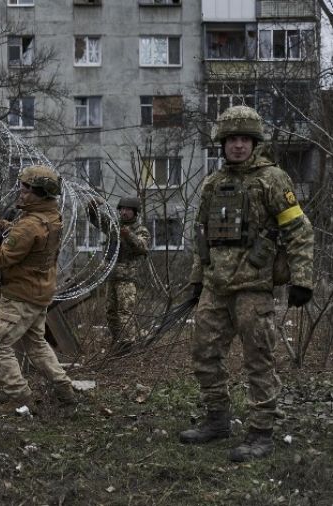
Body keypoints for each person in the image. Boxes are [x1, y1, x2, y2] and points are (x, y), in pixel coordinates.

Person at [180, 105, 314, 462]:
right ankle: (218, 419)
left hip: (254, 287)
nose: (238, 146)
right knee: (204, 354)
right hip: (215, 286)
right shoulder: (212, 183)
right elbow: (202, 237)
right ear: (222, 143)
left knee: (259, 360)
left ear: (254, 143)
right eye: (231, 139)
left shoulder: (273, 179)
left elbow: (299, 231)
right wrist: (197, 281)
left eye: (245, 139)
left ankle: (261, 432)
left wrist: (302, 279)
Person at [0, 165, 76, 413]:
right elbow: (23, 238)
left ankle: (19, 398)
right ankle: (64, 389)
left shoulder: (29, 225)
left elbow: (3, 257)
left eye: (27, 189)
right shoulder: (50, 217)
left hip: (20, 295)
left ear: (41, 193)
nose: (21, 192)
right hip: (38, 292)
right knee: (36, 344)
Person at [87, 195, 151, 349]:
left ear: (135, 212)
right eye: (122, 209)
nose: (124, 212)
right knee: (111, 312)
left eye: (128, 209)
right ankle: (118, 341)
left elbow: (142, 247)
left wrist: (128, 234)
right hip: (112, 276)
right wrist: (92, 206)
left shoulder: (140, 230)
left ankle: (129, 344)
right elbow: (96, 219)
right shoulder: (114, 225)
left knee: (125, 311)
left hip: (127, 279)